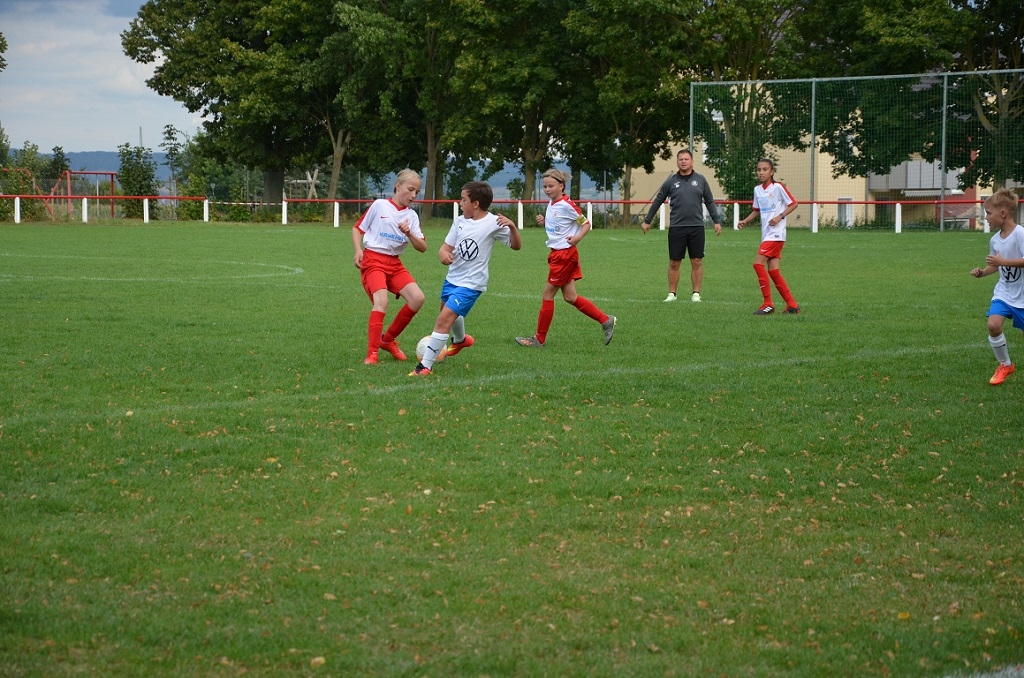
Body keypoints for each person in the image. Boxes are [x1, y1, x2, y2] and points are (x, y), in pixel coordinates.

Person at [410, 181, 522, 376]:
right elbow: (445, 247)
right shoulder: (460, 221)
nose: (460, 203)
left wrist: (512, 227)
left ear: (475, 204)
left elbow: (516, 246)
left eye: (463, 200)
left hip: (472, 283)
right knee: (447, 312)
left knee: (444, 319)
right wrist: (443, 254)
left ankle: (424, 367)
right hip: (452, 278)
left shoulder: (493, 223)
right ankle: (461, 340)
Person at [515, 168, 616, 348]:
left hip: (564, 255)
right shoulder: (553, 203)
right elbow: (560, 224)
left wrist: (577, 238)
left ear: (561, 186)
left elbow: (585, 223)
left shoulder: (566, 205)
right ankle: (605, 320)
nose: (547, 189)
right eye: (545, 186)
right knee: (570, 297)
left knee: (547, 294)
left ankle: (539, 339)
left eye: (551, 186)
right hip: (558, 253)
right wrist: (545, 222)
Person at [352, 169, 426, 365]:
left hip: (394, 263)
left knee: (417, 298)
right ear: (397, 186)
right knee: (382, 301)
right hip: (373, 260)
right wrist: (358, 250)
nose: (413, 195)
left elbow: (423, 247)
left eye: (417, 192)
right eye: (410, 189)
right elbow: (357, 228)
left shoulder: (412, 216)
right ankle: (372, 353)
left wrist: (410, 234)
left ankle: (388, 339)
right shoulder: (380, 205)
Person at [641, 149, 722, 302]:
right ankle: (672, 294)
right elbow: (658, 200)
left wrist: (716, 221)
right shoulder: (671, 182)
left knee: (696, 261)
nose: (683, 161)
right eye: (680, 159)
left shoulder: (701, 180)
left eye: (686, 159)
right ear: (677, 162)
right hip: (677, 227)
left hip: (696, 227)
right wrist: (647, 220)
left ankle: (696, 294)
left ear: (692, 161)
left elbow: (709, 201)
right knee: (674, 262)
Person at [970, 188, 1024, 385]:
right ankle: (1005, 365)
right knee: (993, 325)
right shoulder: (994, 240)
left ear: (1003, 213)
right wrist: (983, 272)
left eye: (988, 213)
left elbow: (1005, 262)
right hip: (1004, 292)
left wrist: (1003, 262)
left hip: (1022, 295)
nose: (986, 218)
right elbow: (996, 265)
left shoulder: (1020, 234)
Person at [736, 158, 801, 315]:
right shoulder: (757, 190)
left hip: (776, 234)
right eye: (759, 170)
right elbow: (757, 210)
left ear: (772, 172)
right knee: (773, 271)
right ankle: (792, 305)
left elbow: (793, 203)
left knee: (758, 264)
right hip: (767, 235)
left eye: (765, 169)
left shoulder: (778, 187)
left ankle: (768, 304)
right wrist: (745, 221)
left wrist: (780, 216)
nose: (761, 172)